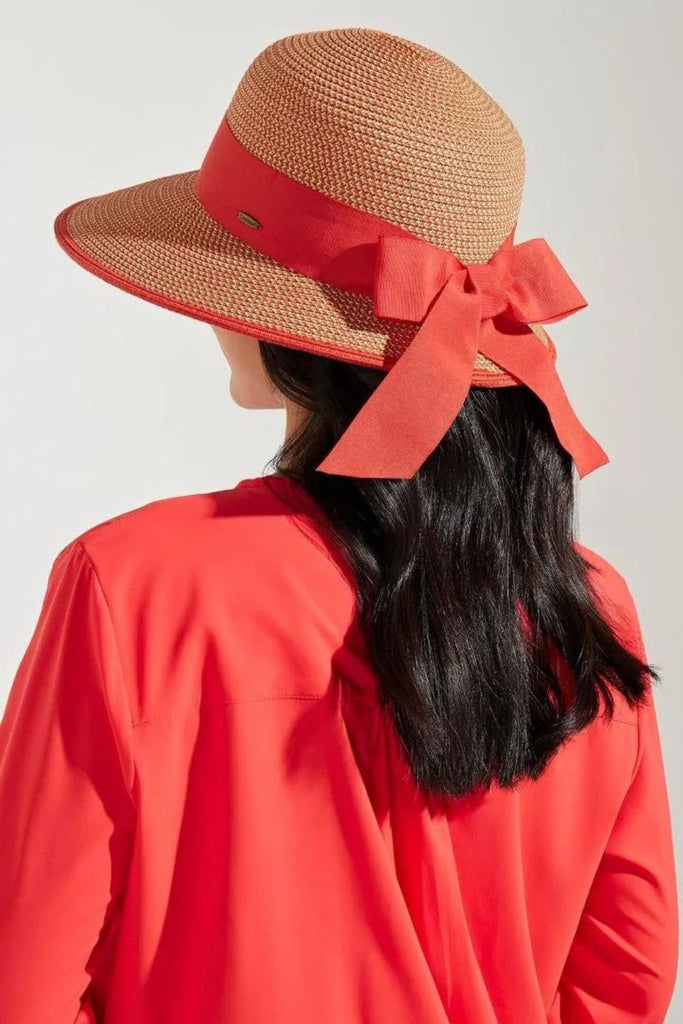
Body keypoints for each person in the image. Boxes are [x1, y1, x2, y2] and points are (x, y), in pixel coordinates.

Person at [0, 26, 678, 1024]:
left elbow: (23, 978)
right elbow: (626, 977)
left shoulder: (134, 585)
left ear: (274, 319)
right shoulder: (584, 604)